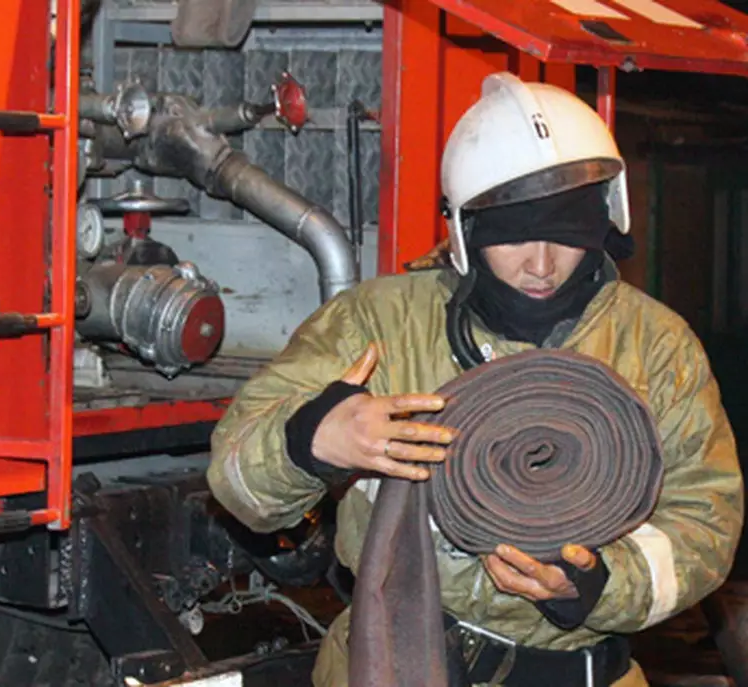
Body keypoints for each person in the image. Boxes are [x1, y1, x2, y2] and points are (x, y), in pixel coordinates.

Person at [206, 71, 745, 687]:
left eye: (566, 234)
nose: (541, 265)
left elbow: (706, 521)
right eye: (514, 237)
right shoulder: (376, 325)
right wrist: (312, 439)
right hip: (393, 666)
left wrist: (601, 585)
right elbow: (234, 481)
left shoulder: (654, 346)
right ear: (465, 231)